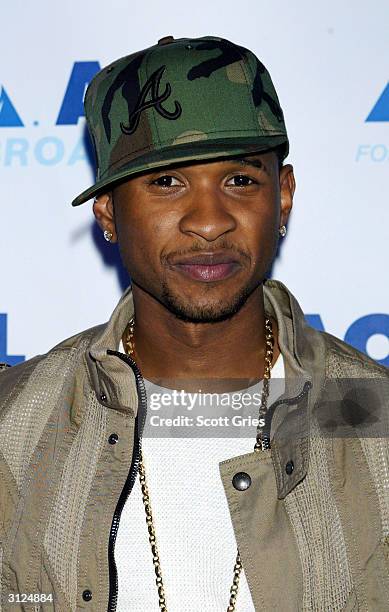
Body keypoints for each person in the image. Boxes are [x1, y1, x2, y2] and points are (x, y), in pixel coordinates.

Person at [0, 35, 388, 612]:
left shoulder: (373, 418)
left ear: (282, 199)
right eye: (166, 181)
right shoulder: (17, 424)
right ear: (107, 212)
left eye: (240, 180)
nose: (209, 222)